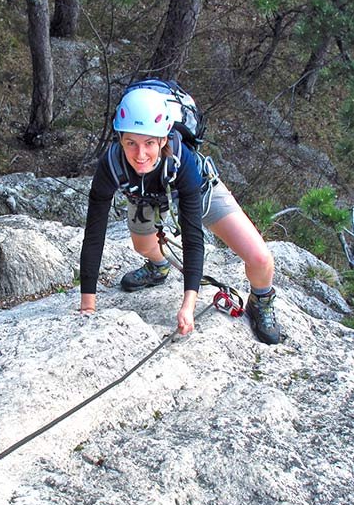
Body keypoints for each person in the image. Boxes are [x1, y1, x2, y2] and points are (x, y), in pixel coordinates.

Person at [78, 83, 282, 344]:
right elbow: (94, 236)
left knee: (261, 259)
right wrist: (88, 305)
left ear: (163, 138)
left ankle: (261, 300)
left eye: (149, 143)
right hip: (145, 194)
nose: (140, 154)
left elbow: (193, 239)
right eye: (131, 143)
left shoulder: (181, 159)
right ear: (120, 138)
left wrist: (188, 305)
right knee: (143, 246)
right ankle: (158, 267)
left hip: (196, 189)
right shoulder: (112, 164)